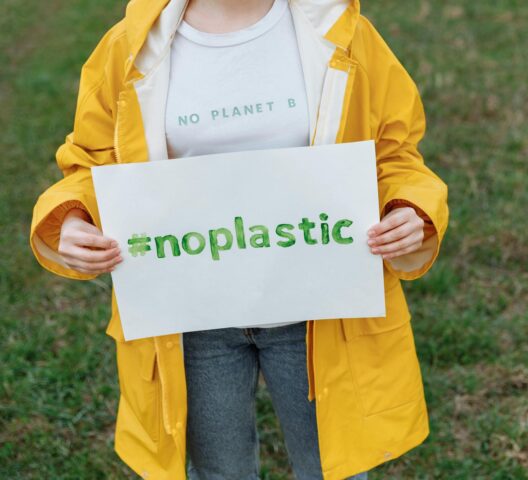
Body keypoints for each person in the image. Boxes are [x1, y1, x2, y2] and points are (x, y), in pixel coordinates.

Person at [28, 0, 449, 478]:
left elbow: (394, 152)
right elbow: (91, 160)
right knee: (221, 472)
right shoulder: (130, 47)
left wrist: (409, 208)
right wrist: (73, 217)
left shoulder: (338, 32)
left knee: (332, 469)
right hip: (194, 316)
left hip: (319, 310)